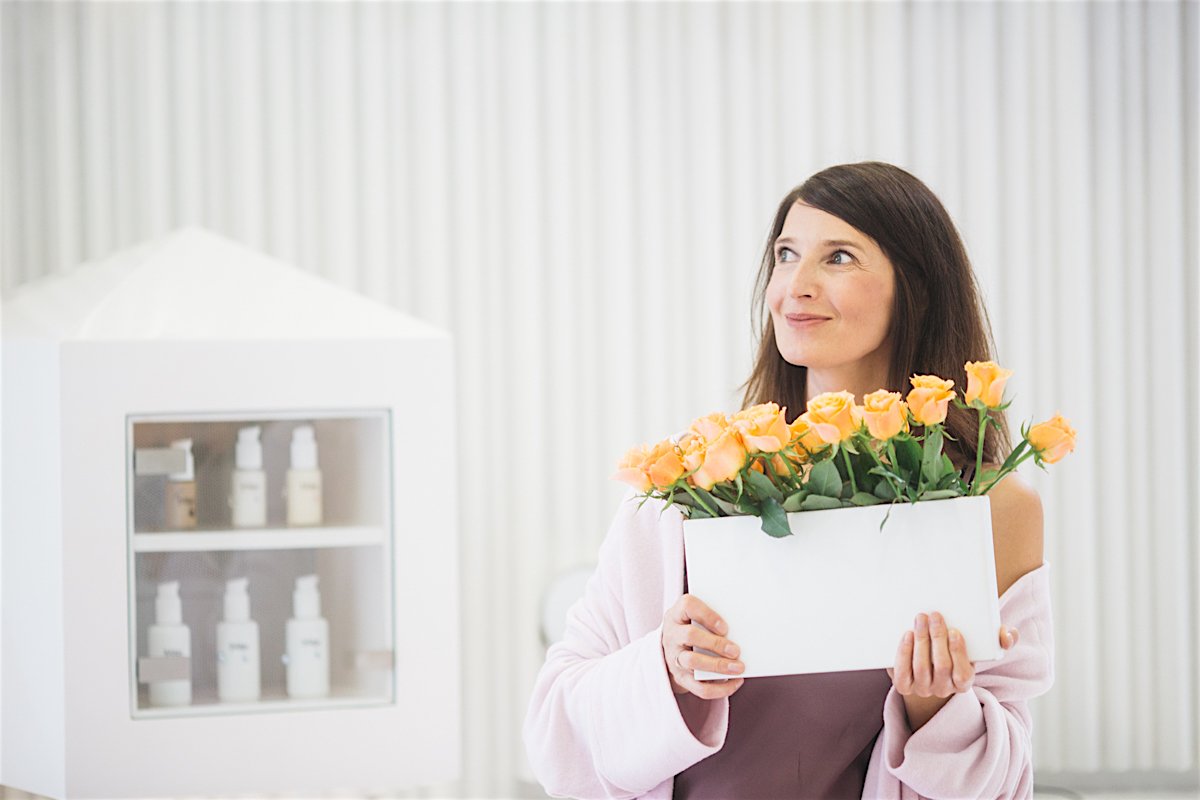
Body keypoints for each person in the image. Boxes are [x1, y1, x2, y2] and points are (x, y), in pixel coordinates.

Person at [522, 162, 1054, 799]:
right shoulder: (694, 487)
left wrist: (934, 708)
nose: (794, 287)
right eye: (785, 255)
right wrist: (664, 669)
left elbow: (1006, 782)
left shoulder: (990, 508)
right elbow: (556, 730)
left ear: (914, 289)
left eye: (838, 257)